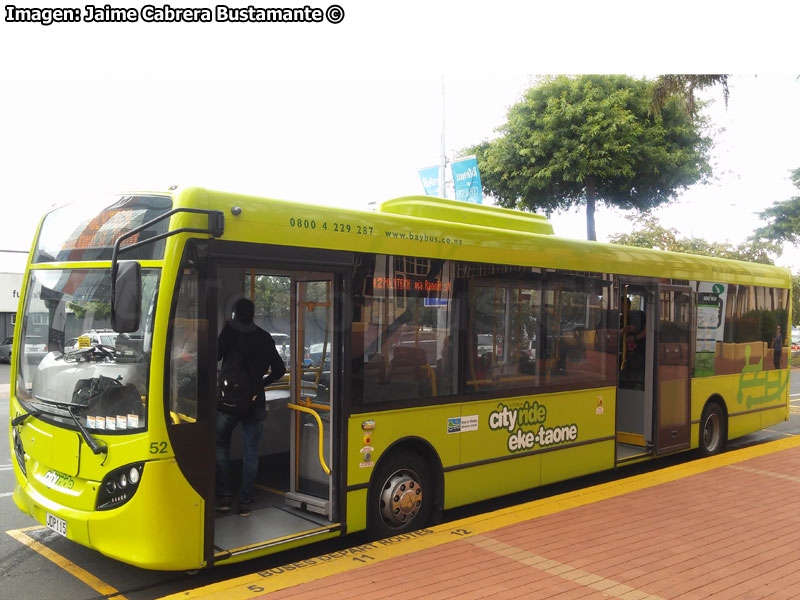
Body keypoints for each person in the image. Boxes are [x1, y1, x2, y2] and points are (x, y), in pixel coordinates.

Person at [216, 298, 285, 517]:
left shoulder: (229, 333)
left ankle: (225, 497)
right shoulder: (264, 337)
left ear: (235, 314)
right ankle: (245, 502)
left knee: (220, 446)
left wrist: (225, 330)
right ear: (253, 314)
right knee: (251, 453)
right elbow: (279, 369)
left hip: (228, 401)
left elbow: (214, 356)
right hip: (254, 401)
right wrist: (260, 384)